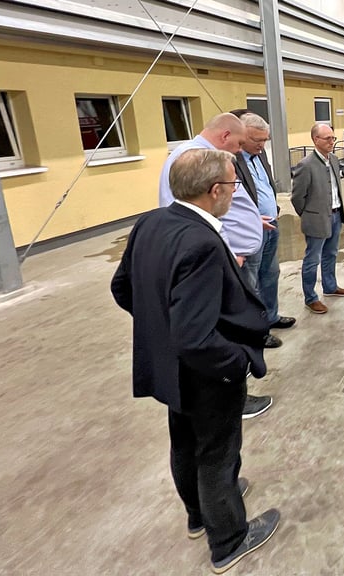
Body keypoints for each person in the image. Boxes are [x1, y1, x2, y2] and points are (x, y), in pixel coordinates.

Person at [113, 148, 281, 572]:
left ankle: (199, 515)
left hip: (171, 369)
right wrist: (236, 362)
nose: (234, 192)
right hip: (206, 372)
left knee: (185, 443)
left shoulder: (151, 222)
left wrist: (161, 330)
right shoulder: (203, 242)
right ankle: (228, 538)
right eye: (233, 185)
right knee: (217, 454)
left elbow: (122, 287)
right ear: (214, 191)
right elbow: (196, 335)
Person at [158, 113, 274, 419]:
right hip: (221, 261)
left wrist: (251, 220)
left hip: (227, 256)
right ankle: (233, 399)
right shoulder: (191, 160)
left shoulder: (206, 158)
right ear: (224, 136)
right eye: (238, 143)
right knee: (225, 330)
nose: (240, 150)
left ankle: (232, 389)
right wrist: (224, 254)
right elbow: (188, 216)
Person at [232, 111, 297, 334]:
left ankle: (271, 316)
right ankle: (257, 330)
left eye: (264, 140)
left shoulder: (259, 155)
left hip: (272, 224)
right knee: (250, 281)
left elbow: (266, 185)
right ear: (242, 135)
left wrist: (275, 208)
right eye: (257, 140)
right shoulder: (231, 159)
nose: (262, 145)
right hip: (250, 229)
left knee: (270, 274)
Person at [291, 124, 344, 315]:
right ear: (315, 140)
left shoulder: (333, 160)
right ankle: (310, 298)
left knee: (331, 254)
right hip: (316, 219)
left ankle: (330, 286)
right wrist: (309, 215)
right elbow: (297, 197)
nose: (332, 142)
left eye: (333, 138)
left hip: (335, 214)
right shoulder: (306, 165)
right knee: (312, 259)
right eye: (327, 138)